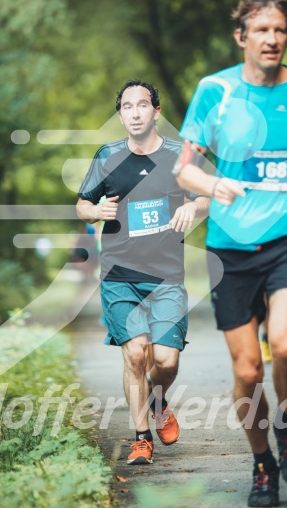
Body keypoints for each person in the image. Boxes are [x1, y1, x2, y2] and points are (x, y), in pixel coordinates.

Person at [174, 0, 287, 506]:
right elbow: (184, 167)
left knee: (286, 346)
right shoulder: (214, 91)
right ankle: (263, 463)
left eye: (280, 30)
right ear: (241, 37)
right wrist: (210, 185)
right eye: (261, 30)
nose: (272, 39)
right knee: (248, 371)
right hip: (230, 245)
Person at [76, 80, 233, 465]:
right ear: (120, 114)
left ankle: (157, 399)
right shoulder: (108, 156)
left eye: (141, 105)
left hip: (166, 277)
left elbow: (212, 195)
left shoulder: (181, 157)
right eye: (126, 106)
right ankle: (141, 436)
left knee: (165, 360)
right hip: (119, 276)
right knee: (134, 354)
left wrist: (192, 208)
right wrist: (97, 212)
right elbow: (82, 204)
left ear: (156, 111)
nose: (134, 112)